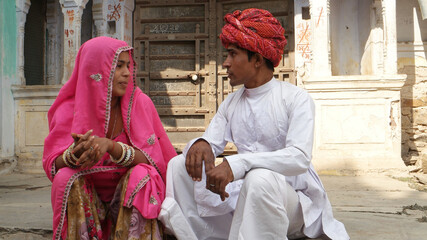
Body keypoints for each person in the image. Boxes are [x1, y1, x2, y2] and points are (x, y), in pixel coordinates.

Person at [159, 8, 350, 240]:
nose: (225, 63)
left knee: (259, 178)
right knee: (179, 165)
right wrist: (202, 144)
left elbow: (299, 158)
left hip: (293, 200)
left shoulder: (295, 98)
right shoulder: (232, 102)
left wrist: (239, 163)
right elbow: (212, 142)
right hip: (246, 192)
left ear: (257, 59)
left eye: (232, 54)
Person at [43, 36, 177, 239]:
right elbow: (53, 165)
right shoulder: (68, 110)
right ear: (95, 70)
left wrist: (112, 147)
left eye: (128, 66)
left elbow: (155, 162)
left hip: (127, 198)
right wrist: (74, 155)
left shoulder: (140, 103)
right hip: (89, 199)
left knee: (144, 175)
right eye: (118, 66)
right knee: (65, 177)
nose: (127, 73)